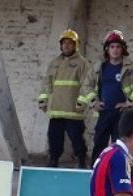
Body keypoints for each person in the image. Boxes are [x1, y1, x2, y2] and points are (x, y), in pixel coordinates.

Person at [78, 30, 133, 166]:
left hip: (122, 113)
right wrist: (94, 102)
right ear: (107, 49)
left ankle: (119, 168)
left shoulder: (132, 67)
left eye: (118, 47)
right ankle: (97, 167)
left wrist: (129, 103)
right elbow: (86, 86)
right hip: (104, 112)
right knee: (99, 142)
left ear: (123, 49)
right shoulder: (99, 67)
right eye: (112, 47)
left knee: (120, 144)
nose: (115, 50)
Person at [37, 29, 91, 168]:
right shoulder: (55, 62)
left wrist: (82, 101)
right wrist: (43, 100)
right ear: (60, 45)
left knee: (77, 139)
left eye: (70, 43)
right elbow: (47, 83)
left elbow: (87, 84)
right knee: (54, 138)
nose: (66, 45)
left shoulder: (82, 63)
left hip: (73, 110)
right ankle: (53, 160)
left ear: (75, 45)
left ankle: (81, 161)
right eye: (64, 43)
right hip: (56, 110)